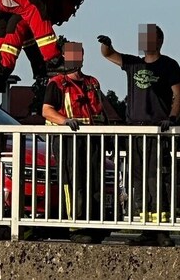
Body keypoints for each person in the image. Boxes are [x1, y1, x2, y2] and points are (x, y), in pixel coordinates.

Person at [99, 24, 180, 247]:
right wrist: (106, 45)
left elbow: (179, 94)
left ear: (159, 40)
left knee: (158, 179)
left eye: (149, 37)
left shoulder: (169, 65)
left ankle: (162, 231)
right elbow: (109, 55)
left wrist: (172, 119)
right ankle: (147, 228)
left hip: (158, 131)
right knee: (138, 181)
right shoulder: (132, 63)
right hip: (136, 132)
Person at [42, 42, 108, 244]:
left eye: (79, 53)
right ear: (64, 56)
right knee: (74, 181)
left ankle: (95, 222)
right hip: (68, 139)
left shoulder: (92, 82)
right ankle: (76, 224)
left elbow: (101, 111)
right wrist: (65, 121)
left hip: (93, 139)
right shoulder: (57, 83)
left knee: (94, 180)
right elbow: (47, 110)